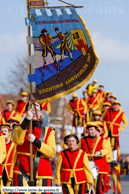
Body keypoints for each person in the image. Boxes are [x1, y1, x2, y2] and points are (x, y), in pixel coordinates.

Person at [12, 102, 56, 190]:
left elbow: (51, 153)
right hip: (21, 170)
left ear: (40, 113)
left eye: (36, 108)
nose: (34, 111)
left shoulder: (49, 131)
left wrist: (37, 142)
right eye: (31, 109)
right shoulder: (18, 128)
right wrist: (26, 121)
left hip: (43, 173)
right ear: (27, 112)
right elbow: (17, 141)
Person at [78, 122, 110, 194]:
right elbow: (79, 151)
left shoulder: (103, 139)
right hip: (86, 168)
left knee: (98, 189)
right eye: (88, 130)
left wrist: (100, 152)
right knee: (87, 189)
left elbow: (107, 150)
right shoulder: (82, 140)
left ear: (96, 130)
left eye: (92, 129)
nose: (90, 131)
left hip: (99, 168)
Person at [0, 123, 15, 187]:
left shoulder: (14, 144)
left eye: (5, 131)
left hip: (10, 172)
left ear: (9, 133)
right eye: (2, 131)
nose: (3, 132)